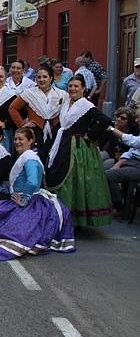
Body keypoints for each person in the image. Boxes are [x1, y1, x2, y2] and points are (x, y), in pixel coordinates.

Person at [0, 128, 76, 261]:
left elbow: (33, 182)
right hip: (19, 196)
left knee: (11, 229)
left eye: (21, 139)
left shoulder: (30, 158)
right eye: (15, 139)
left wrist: (24, 199)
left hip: (29, 201)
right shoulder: (27, 156)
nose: (16, 142)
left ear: (31, 141)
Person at [45, 75, 113, 227]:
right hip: (63, 144)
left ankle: (75, 218)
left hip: (78, 148)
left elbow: (105, 121)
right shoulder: (66, 103)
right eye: (70, 86)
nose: (73, 89)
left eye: (76, 86)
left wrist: (91, 134)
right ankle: (61, 214)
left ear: (83, 89)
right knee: (60, 176)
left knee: (77, 180)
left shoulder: (86, 106)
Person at [9, 65, 66, 163]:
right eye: (39, 77)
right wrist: (22, 124)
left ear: (51, 78)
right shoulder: (30, 93)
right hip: (36, 132)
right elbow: (12, 108)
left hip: (55, 131)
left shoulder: (61, 94)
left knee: (55, 160)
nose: (41, 80)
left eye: (45, 77)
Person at [106, 115, 140, 217]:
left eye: (139, 117)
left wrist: (113, 129)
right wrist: (118, 164)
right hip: (131, 161)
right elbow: (132, 150)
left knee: (109, 175)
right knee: (104, 169)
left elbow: (134, 142)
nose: (137, 120)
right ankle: (111, 204)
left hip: (138, 165)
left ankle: (119, 207)